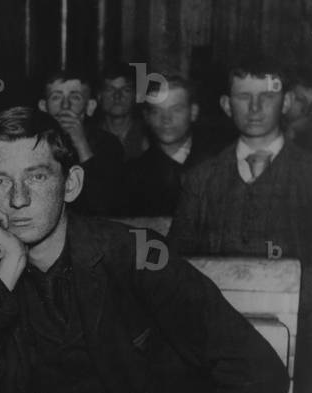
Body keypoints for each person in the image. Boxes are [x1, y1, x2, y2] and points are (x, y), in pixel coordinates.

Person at [0, 107, 287, 393]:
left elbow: (257, 371)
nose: (18, 198)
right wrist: (10, 262)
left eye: (37, 177)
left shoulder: (137, 254)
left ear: (71, 184)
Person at [168, 57, 312, 262]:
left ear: (286, 103)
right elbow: (177, 264)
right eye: (244, 96)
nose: (255, 107)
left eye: (267, 96)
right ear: (227, 106)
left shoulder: (307, 174)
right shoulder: (201, 179)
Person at [123, 75, 215, 216]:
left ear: (193, 112)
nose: (166, 119)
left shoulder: (217, 166)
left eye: (176, 109)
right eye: (157, 111)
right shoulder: (133, 175)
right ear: (146, 117)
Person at [37, 69, 125, 215]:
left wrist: (81, 143)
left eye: (75, 97)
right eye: (56, 97)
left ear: (90, 107)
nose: (65, 106)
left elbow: (104, 202)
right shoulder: (33, 143)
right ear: (43, 107)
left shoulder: (108, 143)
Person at [97, 63, 149, 160]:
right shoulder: (90, 137)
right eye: (110, 89)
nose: (117, 96)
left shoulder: (148, 137)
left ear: (135, 95)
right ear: (99, 95)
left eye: (126, 90)